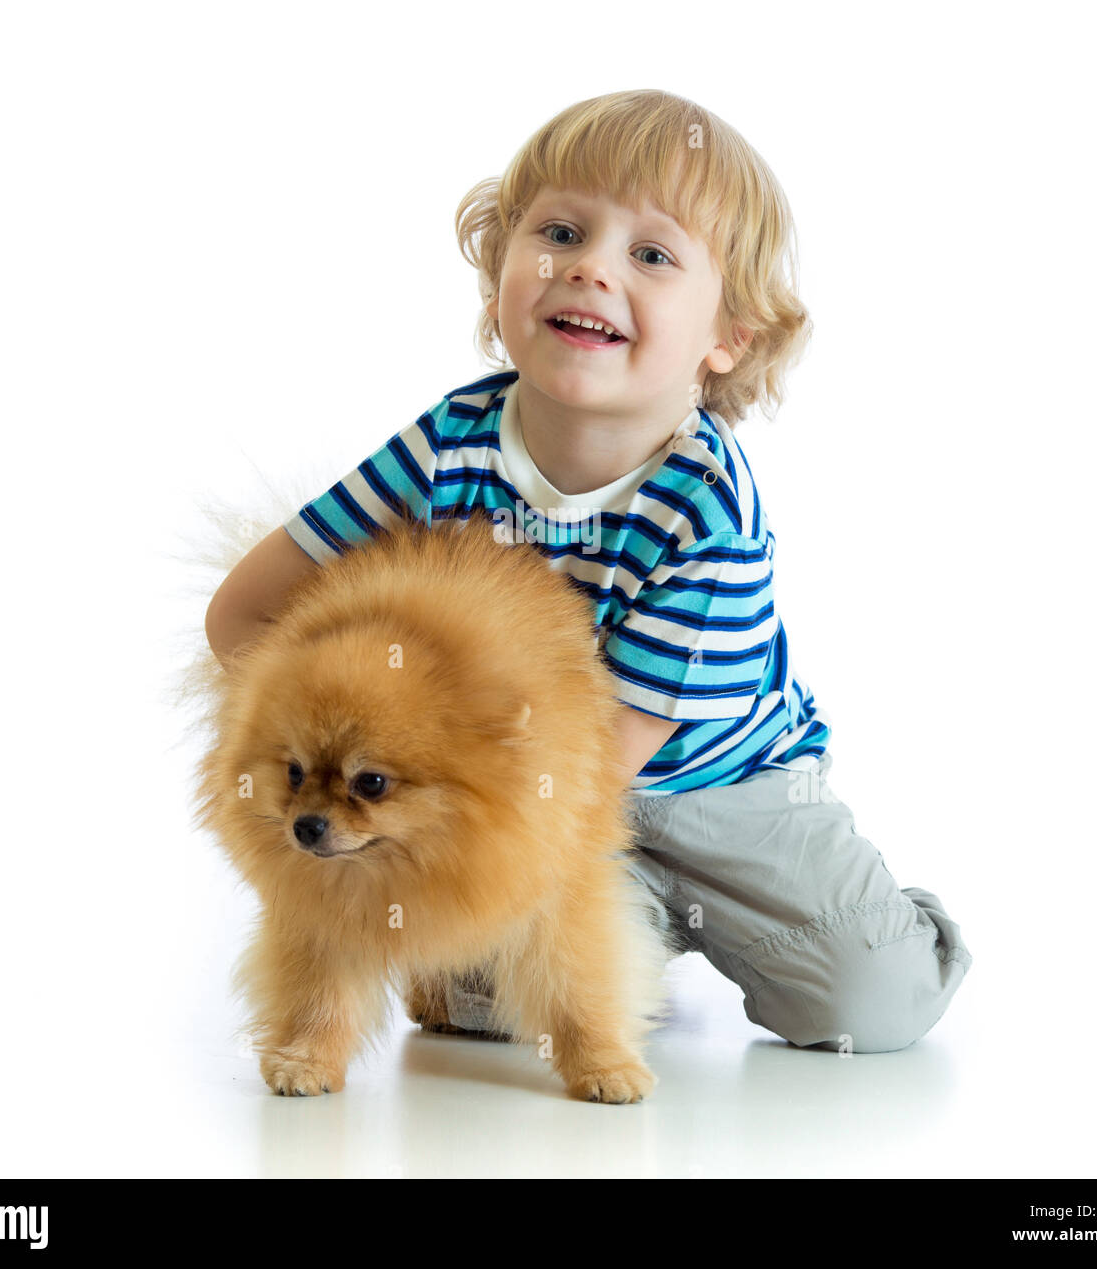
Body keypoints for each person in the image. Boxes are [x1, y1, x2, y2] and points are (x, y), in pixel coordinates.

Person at [206, 88, 973, 1053]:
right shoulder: (450, 443)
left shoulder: (705, 509)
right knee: (492, 1015)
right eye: (561, 233)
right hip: (532, 787)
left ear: (726, 337)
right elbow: (243, 614)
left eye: (650, 255)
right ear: (498, 284)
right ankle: (638, 924)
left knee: (871, 1009)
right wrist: (309, 709)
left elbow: (596, 770)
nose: (590, 269)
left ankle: (862, 922)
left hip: (721, 790)